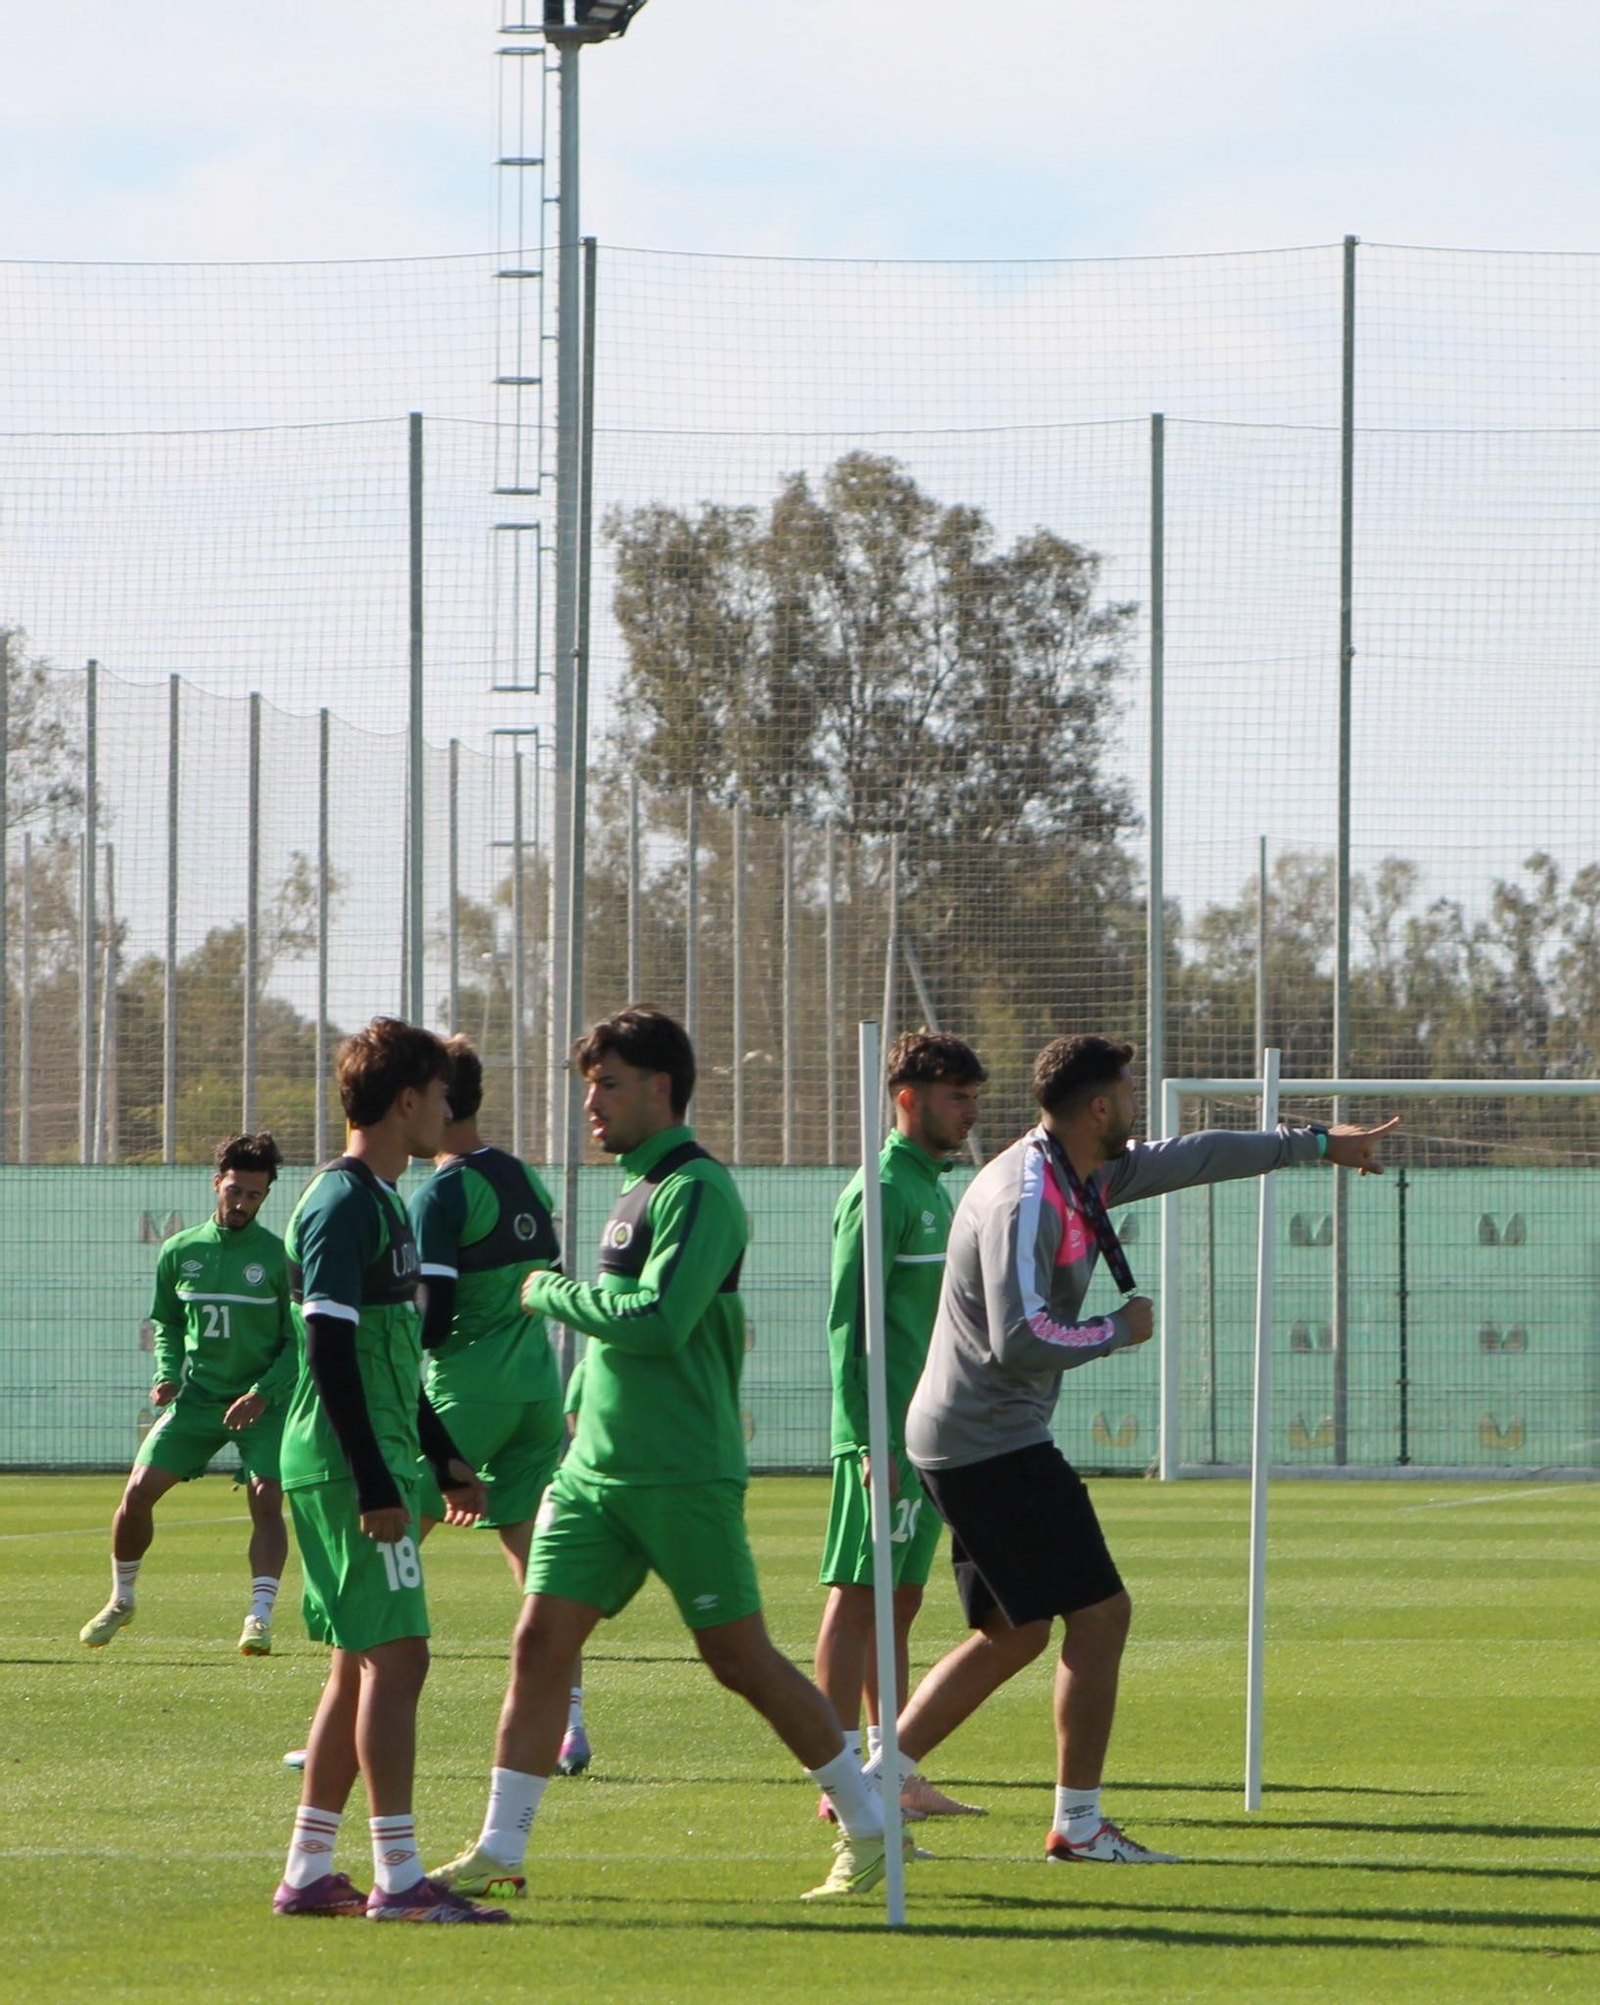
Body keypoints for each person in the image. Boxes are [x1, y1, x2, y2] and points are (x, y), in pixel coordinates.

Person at [879, 1034, 1397, 1865]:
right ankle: (1078, 1827)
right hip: (986, 1438)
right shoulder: (1027, 1191)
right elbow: (1018, 1337)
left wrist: (1317, 1145)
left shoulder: (1089, 1168)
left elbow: (1195, 1157)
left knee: (1015, 1632)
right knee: (1102, 1614)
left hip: (977, 1435)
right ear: (1097, 1108)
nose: (1137, 1109)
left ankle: (872, 1784)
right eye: (1127, 1094)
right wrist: (1115, 1331)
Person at [431, 1006, 897, 1904]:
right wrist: (576, 1403)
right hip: (595, 1477)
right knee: (538, 1643)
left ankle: (871, 1826)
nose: (592, 1105)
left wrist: (547, 1292)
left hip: (682, 1473)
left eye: (607, 1085)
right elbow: (618, 1329)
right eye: (588, 1087)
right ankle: (501, 1843)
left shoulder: (699, 1190)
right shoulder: (636, 1185)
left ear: (661, 1087)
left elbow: (659, 1320)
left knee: (741, 1659)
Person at [272, 1017, 507, 1924]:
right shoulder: (340, 1201)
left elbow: (387, 1351)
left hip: (365, 1460)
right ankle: (400, 1880)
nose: (450, 1110)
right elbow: (327, 1349)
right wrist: (375, 1482)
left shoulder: (381, 1200)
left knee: (356, 1667)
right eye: (443, 1094)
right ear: (408, 1099)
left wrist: (443, 1454)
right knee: (401, 1659)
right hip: (341, 1468)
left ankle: (308, 1869)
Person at [814, 1030, 987, 1824]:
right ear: (909, 1098)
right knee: (857, 1598)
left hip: (925, 1436)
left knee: (901, 1599)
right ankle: (840, 1779)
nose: (970, 1112)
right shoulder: (880, 1188)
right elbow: (848, 1322)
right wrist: (864, 1440)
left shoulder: (932, 1186)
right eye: (956, 1097)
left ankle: (892, 1768)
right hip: (881, 1439)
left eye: (973, 1097)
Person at [80, 1132, 295, 1655]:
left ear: (265, 1196)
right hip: (199, 1399)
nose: (242, 1204)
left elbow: (298, 1341)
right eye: (235, 1191)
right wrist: (167, 1372)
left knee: (266, 1500)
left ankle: (259, 1616)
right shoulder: (180, 1251)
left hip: (260, 1403)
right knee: (137, 1493)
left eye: (254, 1196)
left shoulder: (278, 1257)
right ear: (217, 1183)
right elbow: (169, 1321)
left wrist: (264, 1393)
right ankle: (122, 1598)